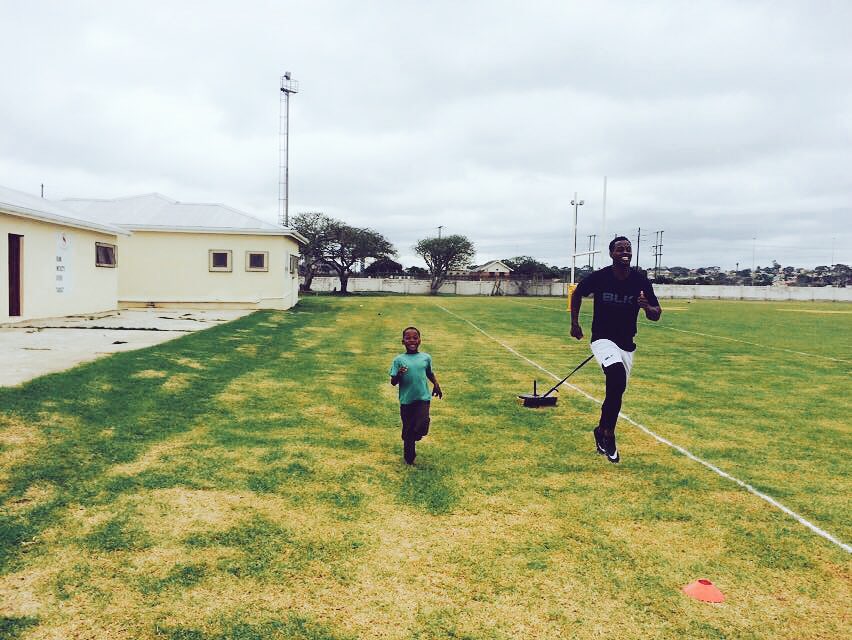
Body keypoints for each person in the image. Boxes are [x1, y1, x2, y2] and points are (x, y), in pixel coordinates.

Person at [570, 236, 662, 463]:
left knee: (616, 390)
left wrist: (647, 307)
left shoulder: (640, 281)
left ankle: (601, 430)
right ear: (611, 254)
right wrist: (575, 323)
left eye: (628, 249)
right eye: (620, 248)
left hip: (627, 343)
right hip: (602, 338)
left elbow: (656, 314)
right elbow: (577, 293)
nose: (625, 252)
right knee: (617, 378)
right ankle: (609, 435)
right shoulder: (601, 277)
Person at [389, 326, 442, 464]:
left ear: (420, 340)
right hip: (406, 400)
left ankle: (417, 433)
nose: (411, 340)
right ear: (403, 341)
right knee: (408, 428)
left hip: (422, 398)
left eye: (415, 338)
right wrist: (399, 374)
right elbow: (393, 382)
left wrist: (436, 384)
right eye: (408, 338)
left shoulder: (426, 357)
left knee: (422, 422)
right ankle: (409, 457)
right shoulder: (399, 360)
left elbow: (429, 373)